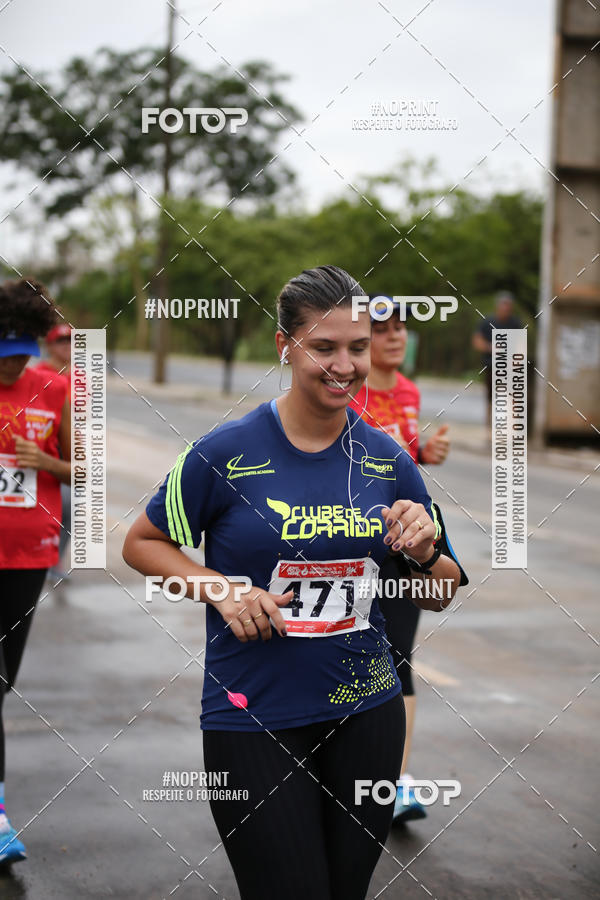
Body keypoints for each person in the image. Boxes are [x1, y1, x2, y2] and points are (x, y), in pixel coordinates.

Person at [123, 266, 467, 900]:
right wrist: (221, 589)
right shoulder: (222, 453)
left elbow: (442, 587)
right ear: (286, 347)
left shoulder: (386, 459)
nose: (345, 365)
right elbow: (141, 544)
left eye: (357, 348)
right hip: (253, 716)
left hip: (368, 713)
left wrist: (422, 554)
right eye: (324, 347)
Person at [349, 302, 451, 825]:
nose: (393, 338)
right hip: (353, 546)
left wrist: (426, 452)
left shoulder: (408, 391)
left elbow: (402, 460)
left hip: (404, 545)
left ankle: (395, 780)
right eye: (380, 330)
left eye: (400, 329)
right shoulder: (349, 388)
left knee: (400, 660)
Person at [0, 278, 71, 865]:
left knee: (3, 685)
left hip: (30, 558)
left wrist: (48, 461)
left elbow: (87, 472)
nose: (15, 364)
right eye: (5, 354)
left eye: (23, 352)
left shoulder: (53, 389)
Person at [35, 323, 72, 578]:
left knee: (70, 510)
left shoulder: (79, 377)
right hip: (43, 453)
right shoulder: (38, 375)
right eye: (62, 341)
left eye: (72, 341)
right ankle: (40, 560)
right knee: (45, 509)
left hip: (69, 453)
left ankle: (54, 563)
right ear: (49, 345)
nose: (68, 346)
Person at [472, 291, 523, 429]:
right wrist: (490, 347)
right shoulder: (487, 322)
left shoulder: (515, 323)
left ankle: (512, 427)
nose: (506, 308)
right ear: (498, 306)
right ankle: (489, 426)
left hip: (510, 367)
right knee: (491, 397)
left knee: (512, 397)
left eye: (508, 305)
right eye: (503, 305)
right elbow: (477, 341)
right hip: (491, 365)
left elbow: (520, 345)